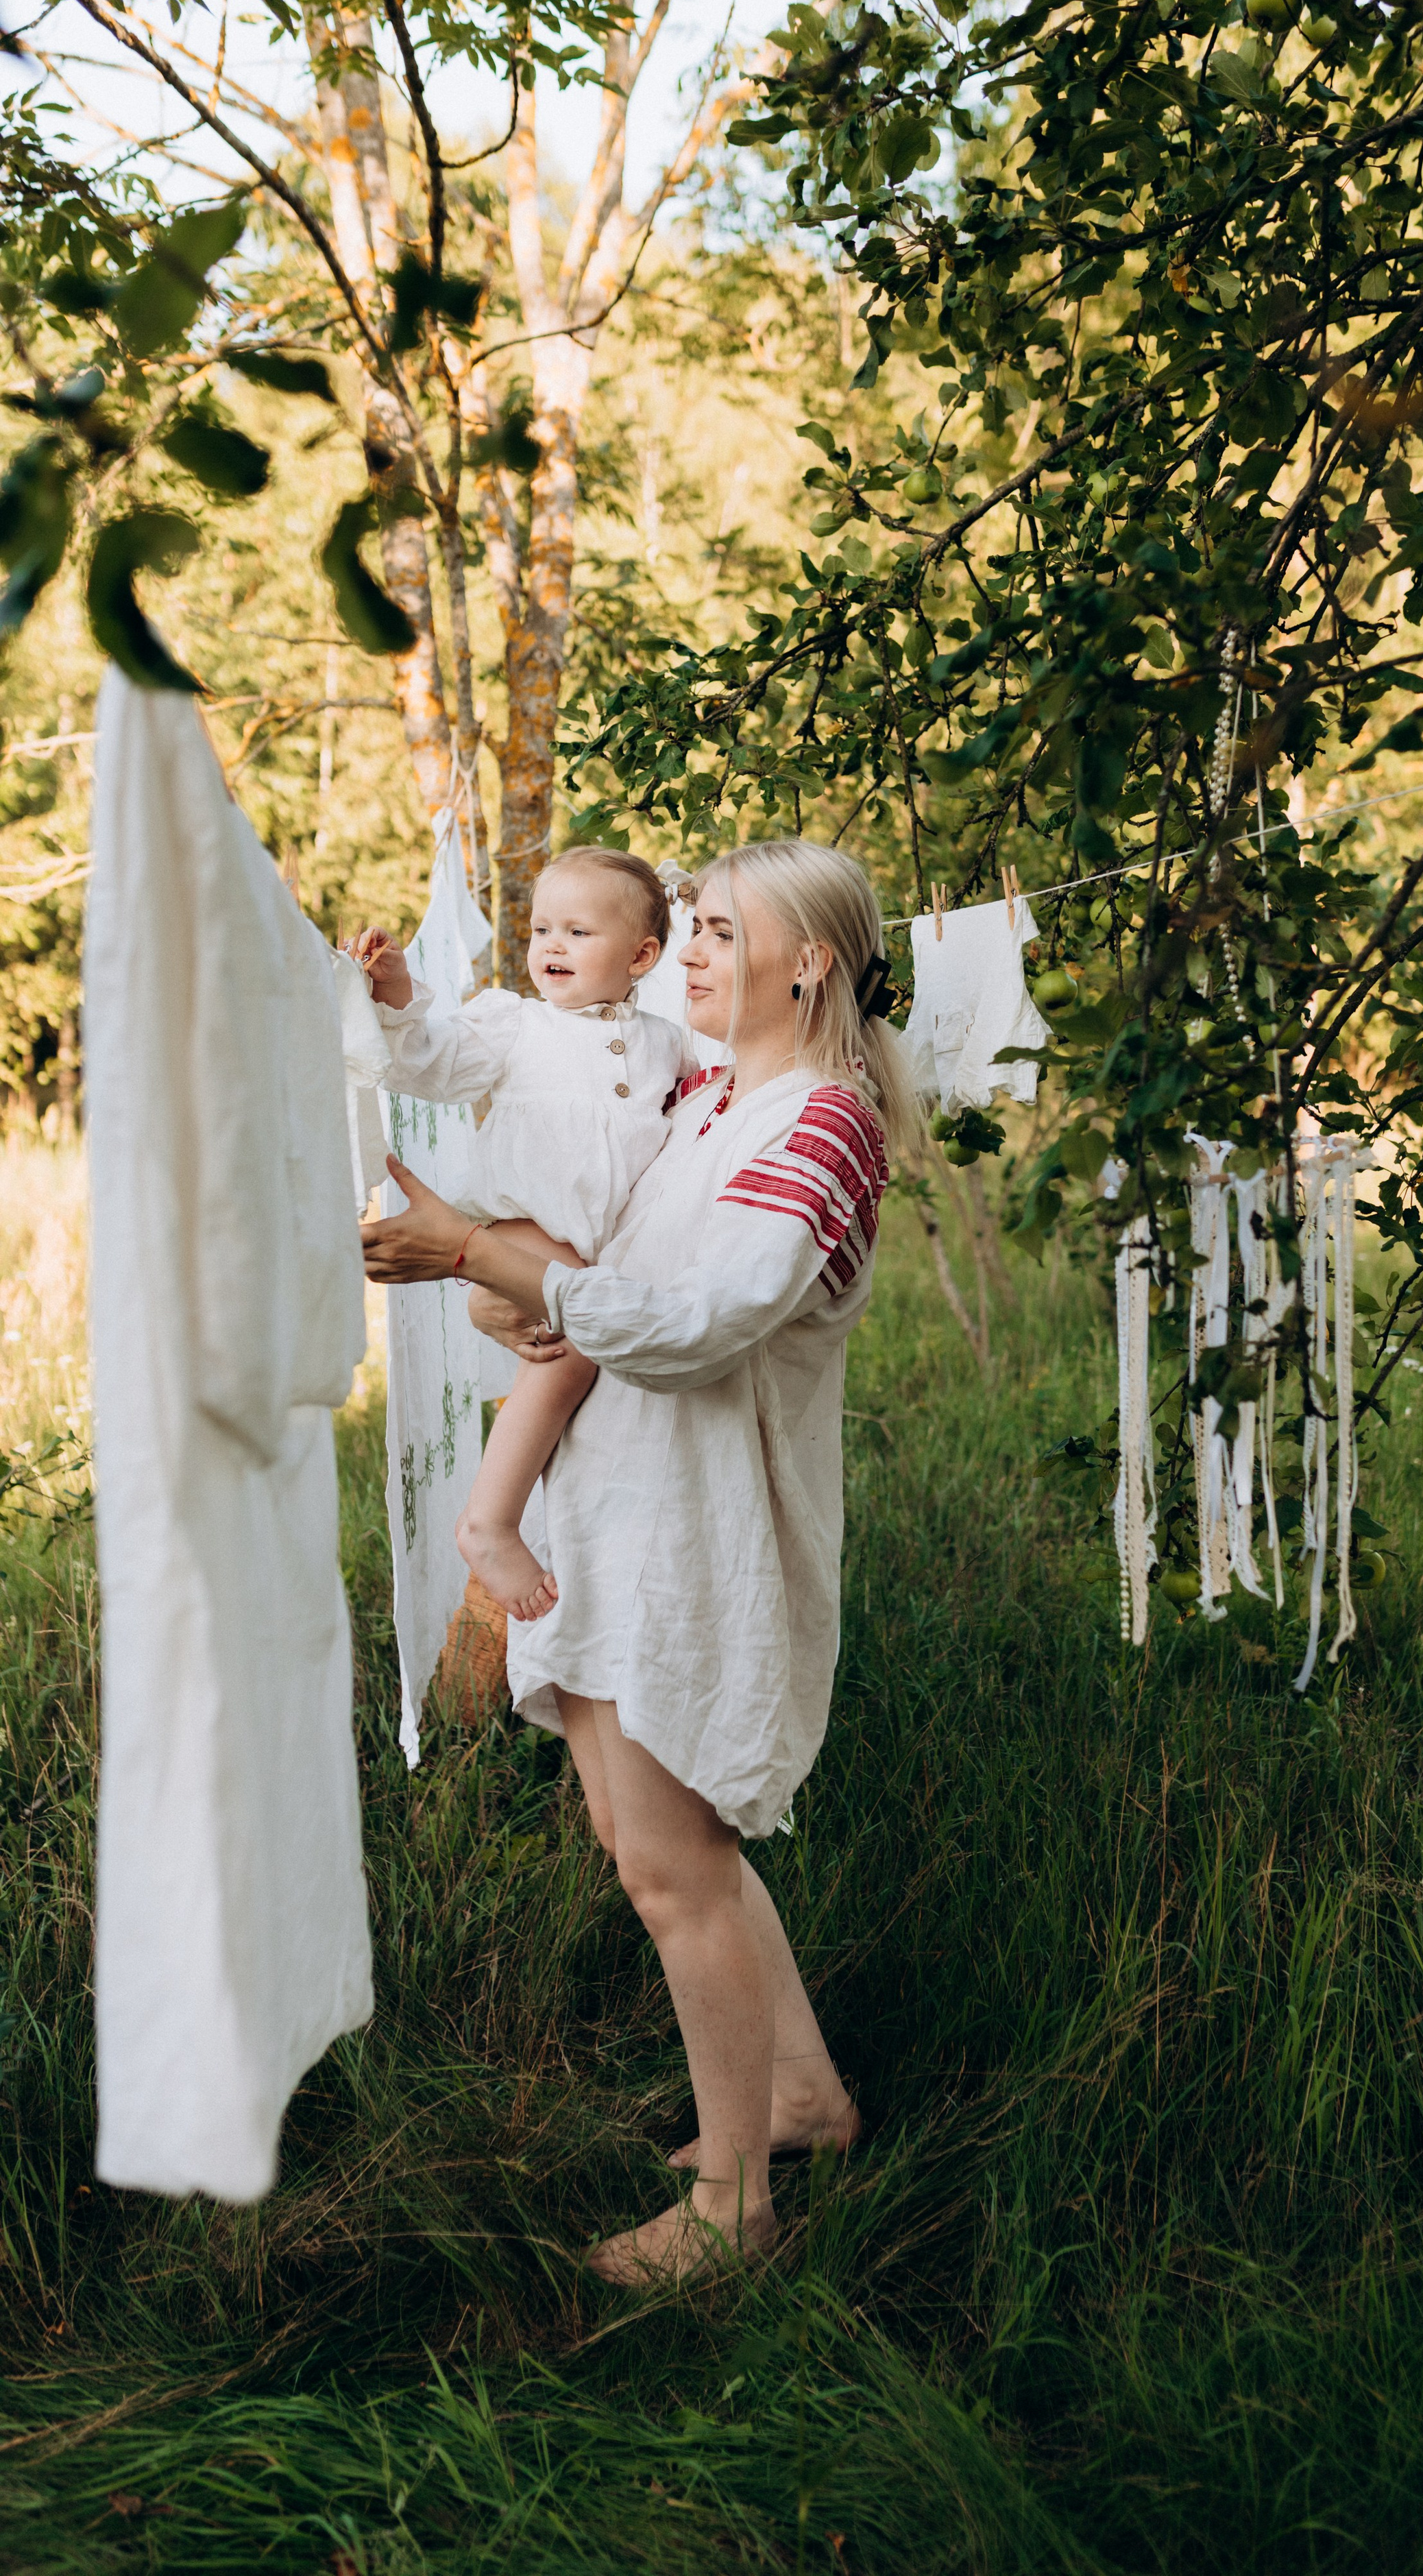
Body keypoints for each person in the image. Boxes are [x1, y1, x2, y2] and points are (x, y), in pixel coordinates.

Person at [361, 841, 922, 2284]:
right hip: (614, 1510)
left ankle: (736, 2210)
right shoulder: (701, 1099)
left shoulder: (822, 1124)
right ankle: (798, 2095)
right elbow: (595, 1288)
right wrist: (503, 1278)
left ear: (805, 962)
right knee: (642, 1847)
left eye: (719, 931)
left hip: (702, 1534)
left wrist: (479, 1252)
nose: (687, 953)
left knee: (677, 1868)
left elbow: (690, 1325)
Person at [348, 847, 688, 1622]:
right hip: (525, 1226)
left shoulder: (668, 1043)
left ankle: (527, 1525)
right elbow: (429, 1063)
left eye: (578, 931)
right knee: (569, 1362)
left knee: (572, 1375)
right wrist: (396, 993)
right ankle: (488, 1524)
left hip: (592, 1251)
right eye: (541, 930)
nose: (552, 946)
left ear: (642, 956)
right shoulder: (513, 1025)